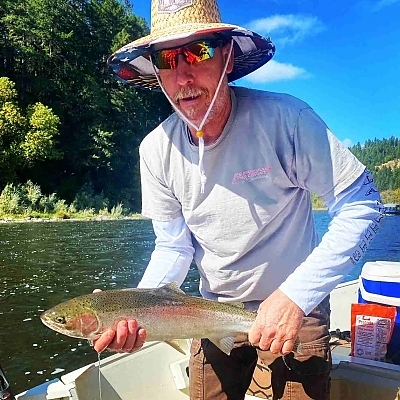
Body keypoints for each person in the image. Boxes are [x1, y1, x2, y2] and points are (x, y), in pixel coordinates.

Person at [96, 0, 385, 399]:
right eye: (166, 59)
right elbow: (173, 245)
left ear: (228, 57)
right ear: (156, 72)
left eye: (197, 51)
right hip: (208, 311)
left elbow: (362, 203)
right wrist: (136, 306)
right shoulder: (154, 150)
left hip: (296, 304)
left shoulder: (287, 120)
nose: (183, 76)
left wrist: (295, 297)